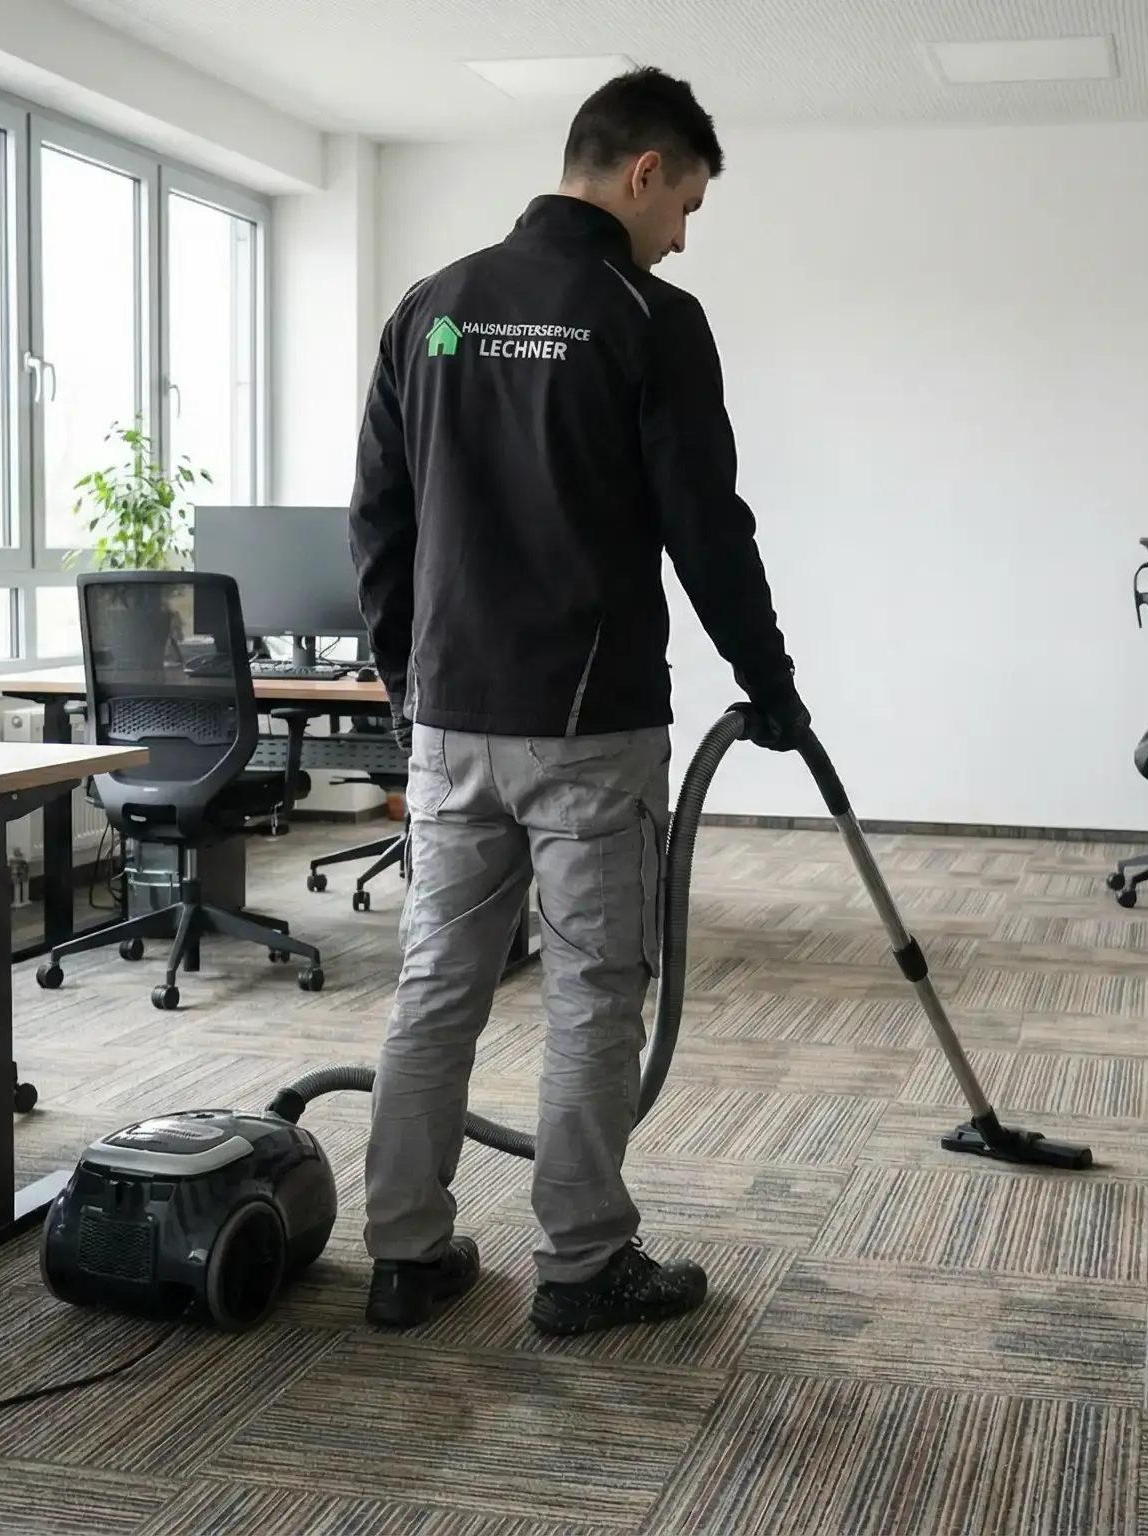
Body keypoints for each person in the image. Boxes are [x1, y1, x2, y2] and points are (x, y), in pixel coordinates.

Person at [347, 66, 810, 1335]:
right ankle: (581, 1265)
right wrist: (769, 680)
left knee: (436, 984)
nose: (682, 234)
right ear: (643, 170)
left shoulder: (429, 309)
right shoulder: (648, 317)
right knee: (595, 991)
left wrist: (409, 681)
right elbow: (704, 527)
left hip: (449, 722)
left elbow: (376, 521)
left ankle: (403, 1254)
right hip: (588, 725)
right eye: (689, 204)